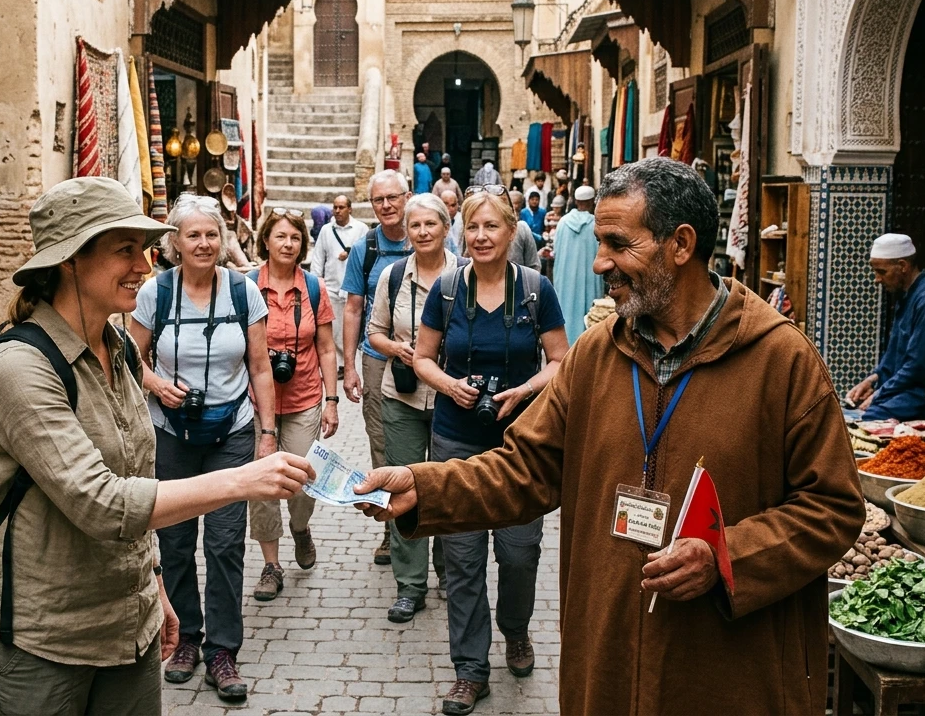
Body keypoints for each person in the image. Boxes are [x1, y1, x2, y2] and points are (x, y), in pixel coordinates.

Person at [354, 157, 864, 715]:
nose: (600, 263)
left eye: (618, 244)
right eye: (599, 243)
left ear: (681, 243)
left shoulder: (780, 359)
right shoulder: (597, 356)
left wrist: (727, 556)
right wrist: (423, 488)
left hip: (726, 668)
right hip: (610, 659)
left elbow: (831, 508)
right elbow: (524, 469)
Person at [0, 177, 314, 716]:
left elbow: (136, 474)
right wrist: (243, 480)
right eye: (125, 250)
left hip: (126, 630)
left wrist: (153, 589)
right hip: (42, 641)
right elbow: (102, 502)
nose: (144, 266)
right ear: (71, 262)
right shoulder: (21, 367)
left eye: (146, 250)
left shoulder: (117, 346)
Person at [410, 190, 567, 715]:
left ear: (510, 231)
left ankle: (516, 629)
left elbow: (560, 360)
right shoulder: (449, 290)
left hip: (523, 444)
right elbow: (423, 357)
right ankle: (470, 669)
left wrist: (524, 392)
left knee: (520, 552)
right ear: (463, 232)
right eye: (472, 227)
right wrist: (449, 386)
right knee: (462, 558)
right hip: (456, 440)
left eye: (491, 227)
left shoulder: (535, 290)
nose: (480, 236)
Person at [129, 193, 279, 701]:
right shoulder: (155, 293)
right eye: (193, 235)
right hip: (171, 433)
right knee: (173, 541)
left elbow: (260, 367)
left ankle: (223, 650)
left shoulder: (244, 292)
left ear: (224, 239)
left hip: (231, 430)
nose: (204, 243)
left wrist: (267, 432)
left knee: (224, 540)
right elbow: (132, 358)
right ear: (174, 243)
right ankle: (186, 637)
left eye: (212, 234)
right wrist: (156, 386)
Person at [367, 194, 458, 624]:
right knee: (400, 490)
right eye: (415, 225)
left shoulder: (465, 274)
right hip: (401, 396)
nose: (422, 232)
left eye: (430, 225)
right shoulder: (392, 276)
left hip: (450, 399)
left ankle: (449, 570)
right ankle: (410, 585)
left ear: (445, 227)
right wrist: (400, 350)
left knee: (446, 485)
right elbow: (375, 333)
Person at [249, 208, 340, 602]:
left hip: (304, 398)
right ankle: (271, 564)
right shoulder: (248, 286)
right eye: (281, 236)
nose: (288, 244)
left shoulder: (314, 288)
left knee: (303, 482)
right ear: (265, 240)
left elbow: (325, 347)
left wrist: (332, 401)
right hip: (256, 404)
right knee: (262, 485)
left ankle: (301, 528)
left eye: (296, 238)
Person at [342, 169, 414, 565]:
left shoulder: (425, 235)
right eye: (379, 200)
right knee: (382, 445)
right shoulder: (365, 247)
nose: (386, 206)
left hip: (426, 359)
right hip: (377, 359)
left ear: (407, 197)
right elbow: (353, 308)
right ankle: (392, 528)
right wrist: (349, 366)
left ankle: (430, 523)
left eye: (393, 197)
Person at [846, 233, 925, 420]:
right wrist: (872, 380)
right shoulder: (904, 296)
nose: (877, 279)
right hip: (900, 387)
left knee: (870, 417)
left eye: (882, 272)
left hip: (917, 392)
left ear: (903, 266)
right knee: (851, 409)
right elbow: (892, 357)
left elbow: (916, 367)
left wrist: (879, 395)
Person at [311, 195, 368, 362]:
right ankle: (336, 363)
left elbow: (365, 256)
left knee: (349, 327)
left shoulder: (361, 229)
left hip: (353, 288)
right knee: (333, 328)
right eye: (335, 207)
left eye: (341, 207)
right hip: (331, 287)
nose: (337, 211)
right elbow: (318, 258)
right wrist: (317, 284)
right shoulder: (326, 230)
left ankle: (347, 361)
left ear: (349, 209)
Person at [553, 185, 604, 344]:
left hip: (566, 282)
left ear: (576, 201)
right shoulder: (595, 225)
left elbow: (556, 251)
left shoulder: (563, 223)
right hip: (588, 280)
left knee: (566, 313)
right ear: (591, 202)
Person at [503, 190, 540, 271]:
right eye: (512, 203)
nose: (514, 206)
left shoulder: (522, 226)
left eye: (517, 203)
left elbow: (534, 265)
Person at [441, 189, 463, 255]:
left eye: (453, 205)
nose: (449, 209)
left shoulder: (462, 220)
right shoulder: (434, 223)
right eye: (446, 204)